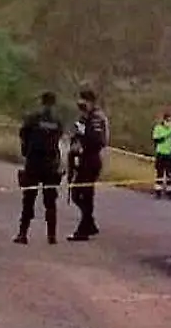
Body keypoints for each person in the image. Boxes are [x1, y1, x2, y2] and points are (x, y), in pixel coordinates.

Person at [15, 91, 65, 244]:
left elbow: (23, 135)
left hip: (34, 162)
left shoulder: (33, 118)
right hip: (50, 164)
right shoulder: (57, 121)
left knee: (28, 199)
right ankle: (52, 236)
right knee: (50, 201)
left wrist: (26, 151)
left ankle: (23, 234)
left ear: (42, 102)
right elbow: (58, 138)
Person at [67, 88, 109, 241]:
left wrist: (83, 139)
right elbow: (76, 134)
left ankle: (84, 229)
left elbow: (97, 140)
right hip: (82, 159)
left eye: (84, 101)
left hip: (91, 158)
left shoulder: (97, 117)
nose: (81, 104)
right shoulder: (85, 117)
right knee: (78, 194)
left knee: (84, 193)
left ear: (90, 102)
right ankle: (89, 223)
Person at [151, 111, 171, 198]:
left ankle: (170, 192)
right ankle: (158, 191)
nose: (169, 122)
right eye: (167, 120)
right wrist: (167, 135)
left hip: (170, 153)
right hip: (161, 153)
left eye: (170, 120)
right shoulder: (158, 128)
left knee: (170, 173)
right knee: (160, 173)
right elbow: (156, 140)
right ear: (164, 120)